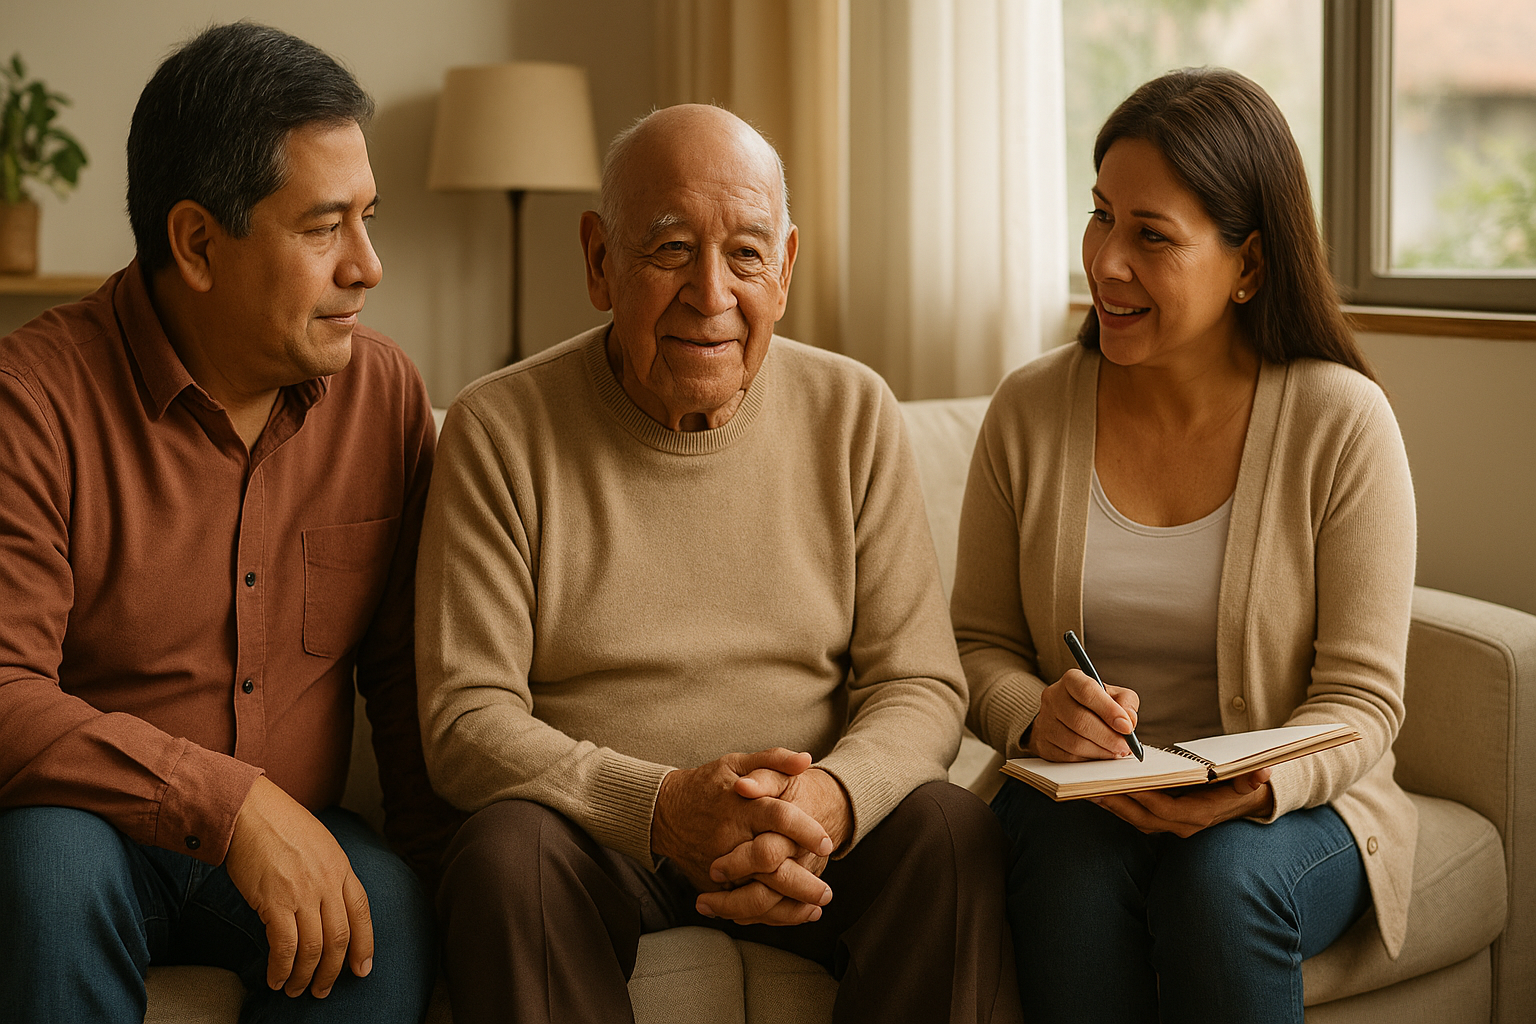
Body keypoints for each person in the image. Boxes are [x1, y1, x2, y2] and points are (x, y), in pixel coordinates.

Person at [416, 103, 1022, 1024]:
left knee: (951, 832)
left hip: (812, 835)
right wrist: (661, 808)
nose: (710, 293)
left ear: (783, 271)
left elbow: (921, 684)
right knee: (504, 858)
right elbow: (465, 720)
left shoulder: (854, 413)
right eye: (667, 250)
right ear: (597, 262)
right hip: (600, 842)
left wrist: (826, 802)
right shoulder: (499, 430)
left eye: (744, 253)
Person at [0, 22, 459, 1023]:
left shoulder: (383, 399)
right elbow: (3, 690)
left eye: (369, 218)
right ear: (198, 244)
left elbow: (401, 679)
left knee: (388, 907)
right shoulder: (30, 399)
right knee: (43, 867)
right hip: (91, 834)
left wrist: (445, 879)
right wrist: (230, 803)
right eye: (323, 227)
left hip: (307, 830)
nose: (369, 266)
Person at [951, 67, 1417, 1023]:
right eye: (1099, 216)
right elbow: (975, 644)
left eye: (1151, 236)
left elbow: (1363, 702)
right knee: (1062, 859)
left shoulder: (1342, 422)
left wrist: (1251, 789)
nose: (1106, 260)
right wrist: (1038, 719)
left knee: (1219, 878)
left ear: (1247, 264)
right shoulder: (1030, 412)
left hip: (1290, 813)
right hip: (1088, 805)